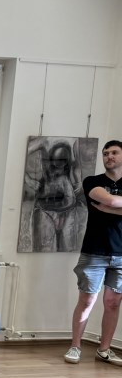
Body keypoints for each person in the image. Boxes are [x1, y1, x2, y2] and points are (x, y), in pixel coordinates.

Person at [64, 140, 122, 364]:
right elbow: (109, 199)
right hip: (94, 252)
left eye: (114, 152)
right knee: (87, 300)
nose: (109, 156)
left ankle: (104, 350)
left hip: (121, 255)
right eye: (105, 153)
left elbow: (111, 204)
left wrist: (110, 209)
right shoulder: (92, 181)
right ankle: (75, 346)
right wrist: (111, 204)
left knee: (113, 303)